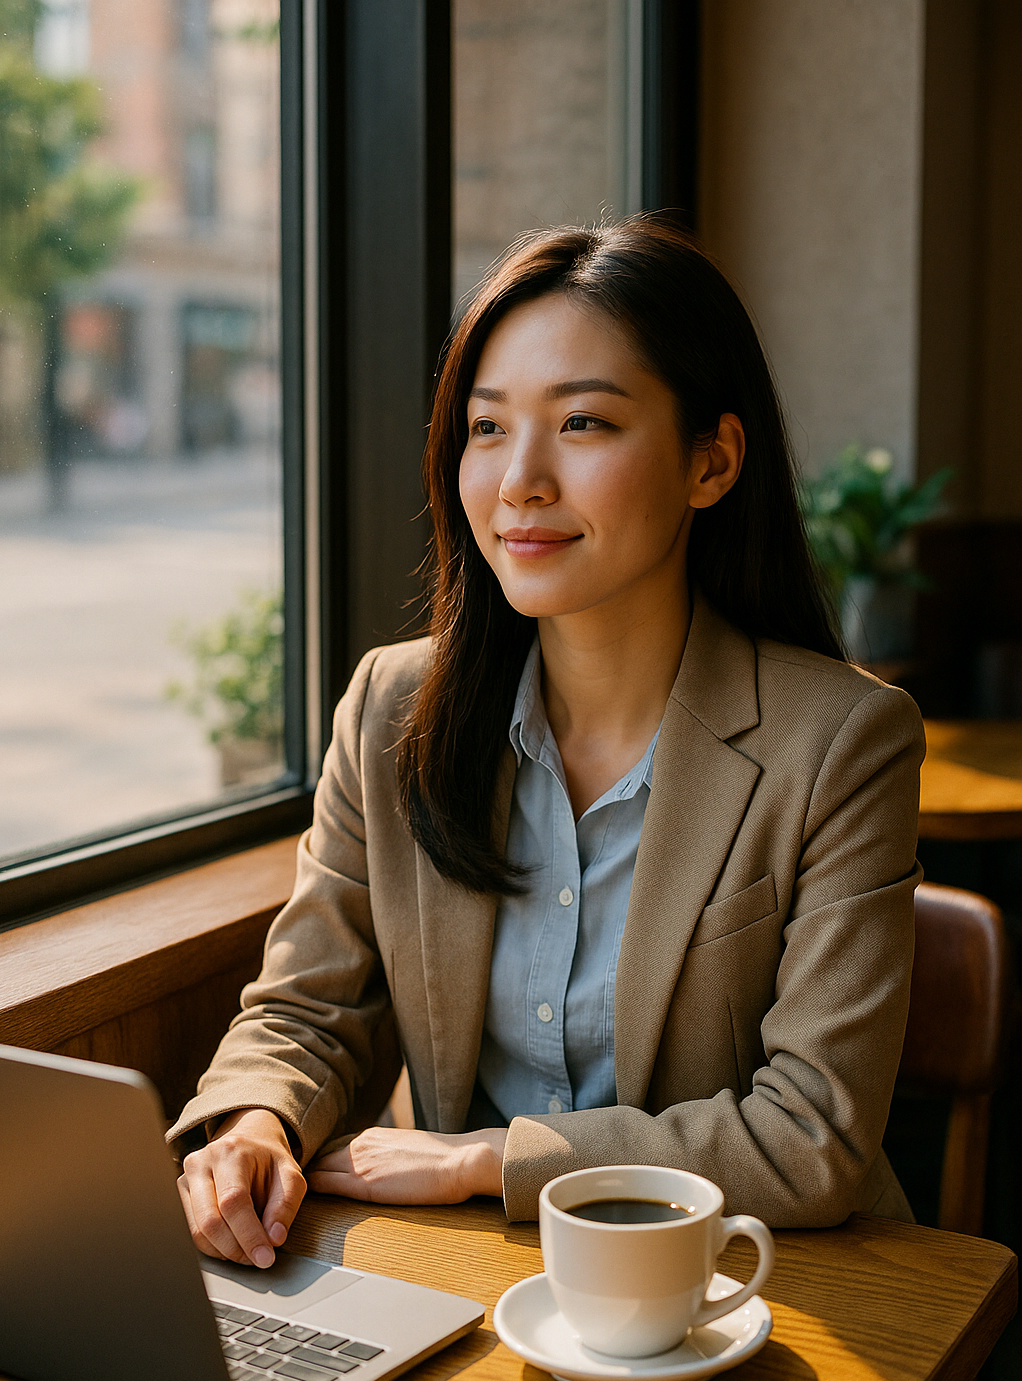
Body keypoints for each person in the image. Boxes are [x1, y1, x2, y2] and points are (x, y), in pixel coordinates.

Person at [170, 215, 924, 1271]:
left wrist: (488, 1160)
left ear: (711, 462)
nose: (520, 479)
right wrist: (258, 1124)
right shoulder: (392, 708)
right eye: (487, 428)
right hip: (478, 1284)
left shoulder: (842, 741)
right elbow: (306, 1007)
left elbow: (810, 1137)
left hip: (753, 1289)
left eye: (582, 425)